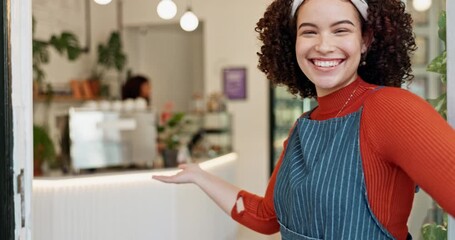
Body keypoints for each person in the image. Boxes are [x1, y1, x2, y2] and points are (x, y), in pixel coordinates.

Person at [153, 0, 455, 239]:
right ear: (292, 43)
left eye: (341, 30)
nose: (323, 45)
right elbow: (267, 217)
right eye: (309, 31)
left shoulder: (391, 109)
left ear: (365, 40)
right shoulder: (303, 127)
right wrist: (198, 175)